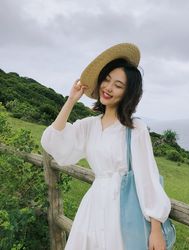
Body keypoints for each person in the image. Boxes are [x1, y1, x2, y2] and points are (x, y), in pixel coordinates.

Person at [40, 43, 171, 250]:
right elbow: (53, 143)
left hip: (122, 211)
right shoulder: (89, 126)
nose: (108, 88)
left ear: (128, 93)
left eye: (118, 85)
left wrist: (156, 228)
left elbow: (148, 178)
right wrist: (71, 100)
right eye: (107, 80)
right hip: (93, 207)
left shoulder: (135, 128)